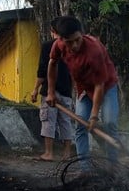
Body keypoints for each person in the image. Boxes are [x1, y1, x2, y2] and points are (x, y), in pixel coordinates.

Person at [46, 16, 120, 168]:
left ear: (82, 34)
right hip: (84, 89)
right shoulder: (58, 45)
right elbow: (52, 64)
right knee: (80, 126)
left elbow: (99, 85)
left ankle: (114, 166)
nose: (75, 45)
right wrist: (51, 92)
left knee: (110, 123)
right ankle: (85, 169)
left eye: (77, 40)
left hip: (106, 86)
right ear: (61, 39)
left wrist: (94, 116)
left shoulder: (95, 50)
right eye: (69, 42)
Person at [30, 18, 74, 162]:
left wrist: (35, 90)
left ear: (53, 32)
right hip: (67, 90)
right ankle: (67, 154)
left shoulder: (48, 46)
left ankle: (49, 153)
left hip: (51, 92)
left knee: (48, 120)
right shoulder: (72, 46)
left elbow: (42, 71)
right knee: (65, 122)